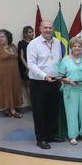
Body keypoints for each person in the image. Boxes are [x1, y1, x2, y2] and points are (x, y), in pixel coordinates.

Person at [27, 20, 66, 149]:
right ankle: (41, 139)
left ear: (53, 28)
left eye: (50, 28)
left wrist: (60, 75)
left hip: (54, 82)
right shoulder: (33, 44)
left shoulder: (56, 42)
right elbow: (31, 64)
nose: (48, 30)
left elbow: (58, 61)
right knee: (40, 112)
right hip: (39, 83)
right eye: (45, 28)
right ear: (40, 29)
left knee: (52, 110)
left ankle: (51, 135)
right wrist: (44, 75)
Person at [59, 37, 82, 145]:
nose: (77, 48)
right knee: (71, 113)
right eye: (75, 46)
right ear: (71, 47)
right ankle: (73, 136)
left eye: (79, 46)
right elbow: (60, 76)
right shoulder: (65, 59)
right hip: (71, 90)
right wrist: (69, 81)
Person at [0, 29, 23, 118]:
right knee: (7, 91)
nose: (1, 39)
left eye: (3, 37)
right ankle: (12, 110)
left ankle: (8, 110)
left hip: (15, 73)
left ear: (8, 38)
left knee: (14, 89)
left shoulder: (13, 46)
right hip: (3, 74)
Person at [18, 25, 34, 98]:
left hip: (36, 65)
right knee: (29, 85)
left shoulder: (35, 42)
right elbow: (21, 57)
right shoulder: (22, 43)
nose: (32, 34)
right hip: (26, 66)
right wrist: (28, 67)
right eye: (30, 32)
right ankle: (32, 104)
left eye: (32, 32)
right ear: (25, 33)